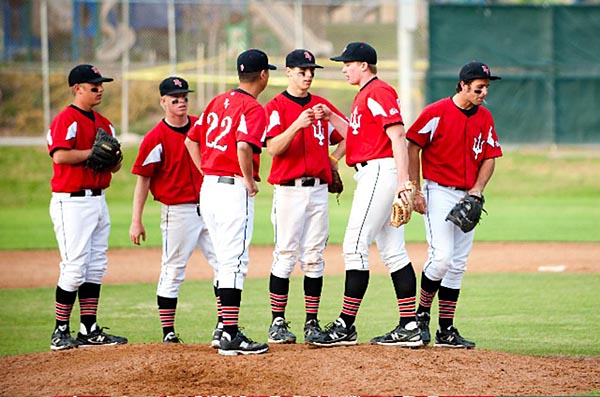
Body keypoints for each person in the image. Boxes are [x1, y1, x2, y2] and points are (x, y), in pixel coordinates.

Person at [307, 42, 422, 348]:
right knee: (393, 250)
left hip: (381, 173)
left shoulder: (379, 91)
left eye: (347, 63)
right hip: (373, 172)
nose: (343, 68)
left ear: (364, 65)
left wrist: (403, 182)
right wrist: (331, 116)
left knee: (354, 245)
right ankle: (410, 325)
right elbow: (355, 135)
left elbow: (398, 135)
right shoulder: (364, 96)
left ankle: (345, 325)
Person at [185, 48, 275, 356]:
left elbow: (190, 140)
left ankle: (222, 327)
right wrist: (249, 181)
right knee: (234, 261)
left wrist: (207, 171)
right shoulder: (253, 108)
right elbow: (242, 147)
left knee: (224, 261)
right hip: (233, 189)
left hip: (209, 187)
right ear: (263, 75)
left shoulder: (216, 102)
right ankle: (231, 334)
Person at [407, 61, 503, 349]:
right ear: (462, 85)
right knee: (441, 258)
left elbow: (490, 155)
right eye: (479, 87)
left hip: (467, 195)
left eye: (486, 87)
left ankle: (446, 330)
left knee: (458, 265)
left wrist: (477, 190)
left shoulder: (485, 117)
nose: (483, 92)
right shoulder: (436, 112)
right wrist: (414, 189)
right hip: (438, 191)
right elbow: (412, 144)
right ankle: (421, 315)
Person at [263, 49, 347, 344]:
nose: (308, 75)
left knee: (314, 257)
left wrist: (333, 158)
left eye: (311, 71)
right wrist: (297, 125)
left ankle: (312, 323)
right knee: (285, 255)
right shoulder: (275, 106)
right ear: (288, 72)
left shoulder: (322, 105)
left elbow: (351, 133)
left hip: (319, 191)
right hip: (289, 191)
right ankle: (277, 322)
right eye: (302, 71)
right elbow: (272, 148)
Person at [129, 76, 221, 345]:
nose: (181, 102)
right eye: (174, 99)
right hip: (177, 211)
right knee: (173, 269)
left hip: (208, 205)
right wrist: (137, 220)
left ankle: (224, 325)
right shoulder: (155, 138)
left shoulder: (200, 126)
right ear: (163, 102)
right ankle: (168, 332)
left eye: (184, 98)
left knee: (223, 263)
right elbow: (143, 179)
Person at [47, 64, 127, 350]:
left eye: (101, 85)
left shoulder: (105, 123)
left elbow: (114, 165)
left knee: (95, 267)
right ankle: (60, 331)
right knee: (75, 267)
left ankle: (89, 329)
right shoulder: (65, 120)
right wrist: (90, 154)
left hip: (98, 199)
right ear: (77, 88)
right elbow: (59, 156)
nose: (100, 89)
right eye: (94, 86)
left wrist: (114, 161)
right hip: (72, 203)